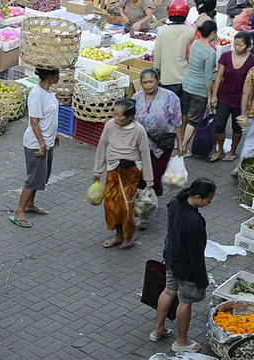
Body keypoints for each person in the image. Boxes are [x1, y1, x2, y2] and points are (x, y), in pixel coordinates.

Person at [150, 177, 216, 354]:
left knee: (168, 291)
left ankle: (158, 329)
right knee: (185, 302)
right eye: (209, 199)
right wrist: (201, 280)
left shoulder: (175, 202)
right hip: (185, 267)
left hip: (171, 257)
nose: (210, 202)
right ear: (198, 198)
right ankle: (181, 341)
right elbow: (196, 255)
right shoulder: (193, 221)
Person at [93, 100, 153, 249]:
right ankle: (118, 234)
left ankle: (128, 235)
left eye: (120, 116)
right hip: (113, 169)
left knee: (127, 205)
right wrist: (98, 170)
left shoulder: (139, 130)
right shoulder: (109, 126)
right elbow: (102, 147)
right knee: (111, 204)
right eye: (115, 115)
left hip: (131, 172)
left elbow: (145, 153)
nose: (117, 118)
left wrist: (149, 180)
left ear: (130, 117)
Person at [11, 68, 60, 229]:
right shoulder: (37, 94)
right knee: (33, 179)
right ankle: (19, 211)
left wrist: (55, 134)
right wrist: (42, 144)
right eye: (57, 74)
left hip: (48, 141)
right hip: (36, 143)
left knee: (41, 177)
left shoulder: (48, 91)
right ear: (50, 76)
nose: (59, 77)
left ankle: (30, 204)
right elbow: (34, 121)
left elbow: (50, 117)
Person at [133, 69, 184, 199]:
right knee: (142, 171)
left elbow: (177, 122)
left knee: (156, 172)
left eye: (151, 81)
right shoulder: (136, 98)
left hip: (162, 143)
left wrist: (180, 144)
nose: (148, 85)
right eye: (145, 82)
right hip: (142, 143)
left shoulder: (170, 97)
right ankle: (143, 197)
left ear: (158, 81)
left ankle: (151, 198)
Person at [209, 31, 254, 162]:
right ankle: (220, 150)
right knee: (219, 125)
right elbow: (219, 77)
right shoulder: (226, 56)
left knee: (237, 127)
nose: (238, 48)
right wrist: (214, 95)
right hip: (224, 96)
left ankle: (233, 151)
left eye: (241, 45)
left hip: (241, 99)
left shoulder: (252, 60)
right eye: (236, 45)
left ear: (247, 46)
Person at [153, 0, 195, 127]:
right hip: (186, 78)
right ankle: (181, 135)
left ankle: (168, 132)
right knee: (184, 110)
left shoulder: (162, 32)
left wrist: (156, 72)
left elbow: (157, 56)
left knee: (168, 109)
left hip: (167, 78)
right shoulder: (191, 31)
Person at [180, 20, 217, 157]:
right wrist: (209, 94)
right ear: (212, 33)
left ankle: (182, 144)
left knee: (188, 114)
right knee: (193, 120)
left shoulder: (195, 43)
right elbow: (208, 77)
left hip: (187, 83)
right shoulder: (210, 52)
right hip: (198, 89)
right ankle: (183, 148)